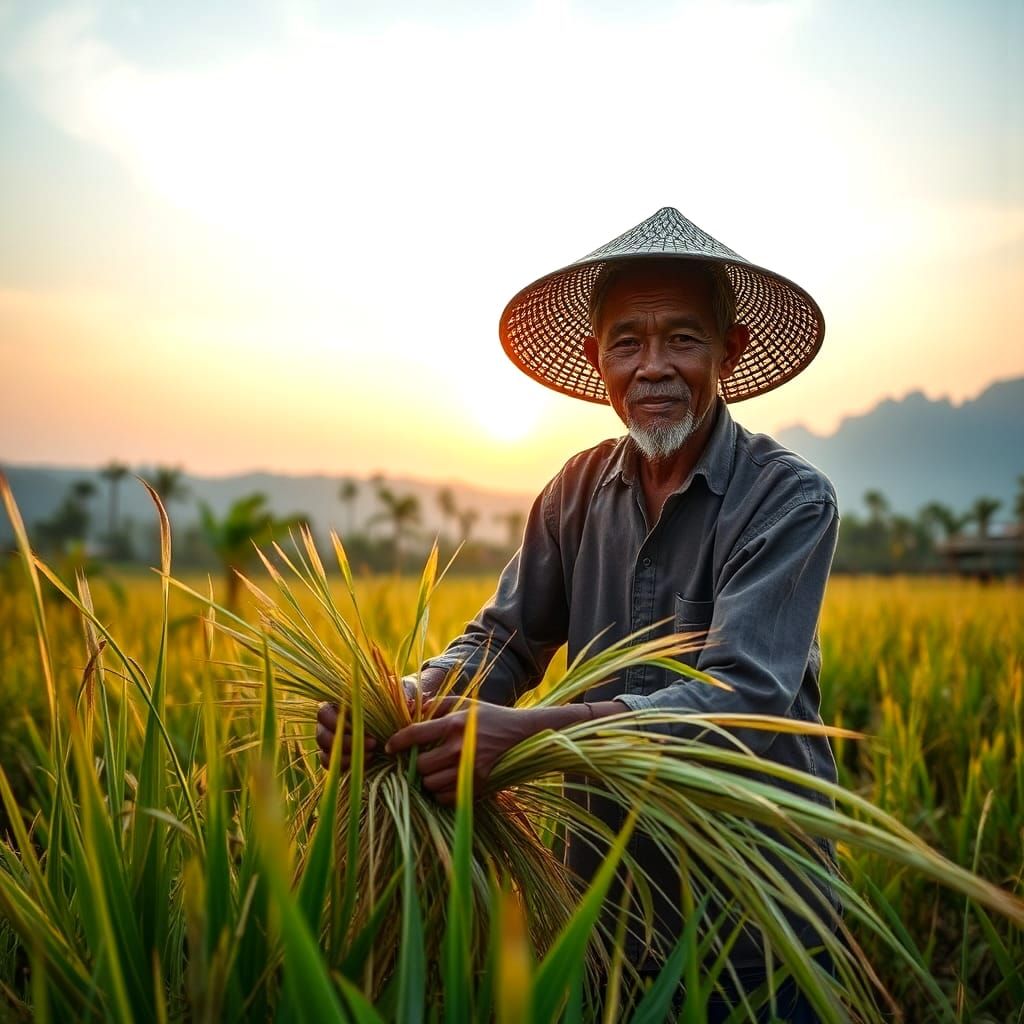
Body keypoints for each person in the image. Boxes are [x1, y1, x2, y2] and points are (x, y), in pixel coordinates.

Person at [316, 208, 840, 1020]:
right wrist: (403, 704)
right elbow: (504, 642)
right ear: (598, 360)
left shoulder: (788, 499)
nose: (654, 367)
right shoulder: (574, 489)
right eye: (628, 342)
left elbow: (743, 702)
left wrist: (532, 734)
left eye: (683, 340)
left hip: (752, 901)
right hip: (602, 894)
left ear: (727, 354)